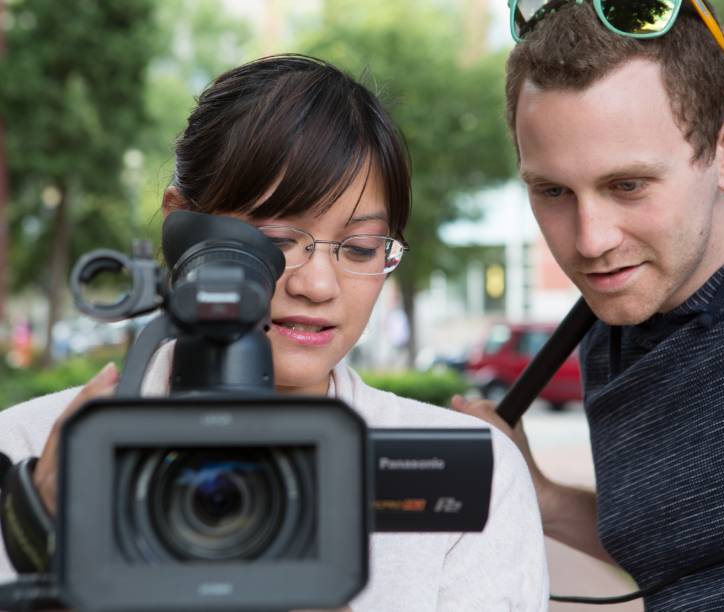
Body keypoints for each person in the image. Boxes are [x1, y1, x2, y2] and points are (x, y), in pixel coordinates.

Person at [0, 55, 548, 610]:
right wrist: (49, 552)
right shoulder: (29, 455)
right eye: (276, 239)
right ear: (179, 228)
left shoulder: (460, 480)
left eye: (360, 248)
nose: (317, 284)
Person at [453, 1, 724, 609]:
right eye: (553, 191)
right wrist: (538, 494)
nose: (590, 242)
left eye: (627, 185)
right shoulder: (610, 326)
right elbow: (675, 548)